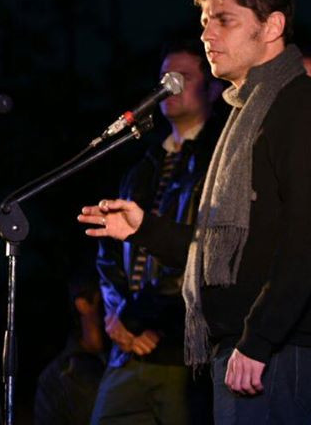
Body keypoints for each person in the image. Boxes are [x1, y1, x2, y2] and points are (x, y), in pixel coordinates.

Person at [80, 0, 311, 424]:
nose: (207, 34)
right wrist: (146, 229)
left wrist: (259, 340)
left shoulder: (302, 105)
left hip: (277, 348)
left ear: (272, 26)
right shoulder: (240, 115)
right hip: (239, 343)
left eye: (224, 19)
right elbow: (217, 252)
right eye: (204, 21)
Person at [91, 41, 221, 424]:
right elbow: (108, 251)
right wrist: (117, 317)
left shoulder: (216, 160)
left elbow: (199, 253)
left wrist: (137, 319)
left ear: (211, 88)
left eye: (183, 78)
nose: (171, 86)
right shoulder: (143, 165)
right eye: (166, 78)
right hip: (129, 347)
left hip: (182, 349)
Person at [35, 273, 108, 425]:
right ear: (82, 304)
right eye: (107, 293)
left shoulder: (134, 356)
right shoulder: (59, 377)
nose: (116, 304)